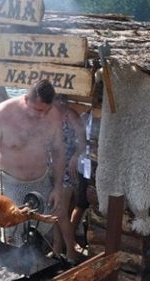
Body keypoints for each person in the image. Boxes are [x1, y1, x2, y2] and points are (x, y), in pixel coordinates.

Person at [0, 79, 65, 246]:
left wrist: (58, 187)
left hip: (41, 181)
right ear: (25, 99)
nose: (41, 115)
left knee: (42, 231)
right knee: (13, 234)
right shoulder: (3, 114)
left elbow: (59, 152)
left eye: (46, 110)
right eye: (37, 110)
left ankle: (42, 267)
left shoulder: (53, 116)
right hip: (9, 183)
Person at [51, 94, 87, 263]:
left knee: (61, 211)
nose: (62, 103)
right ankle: (57, 249)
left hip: (68, 168)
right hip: (52, 168)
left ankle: (71, 252)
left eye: (64, 100)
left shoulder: (71, 115)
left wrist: (76, 156)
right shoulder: (50, 115)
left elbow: (83, 142)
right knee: (54, 211)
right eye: (59, 100)